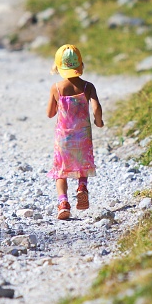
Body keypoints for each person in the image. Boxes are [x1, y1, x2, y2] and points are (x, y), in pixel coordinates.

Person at [46, 44, 103, 220]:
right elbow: (96, 107)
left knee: (61, 172)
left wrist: (58, 106)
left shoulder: (56, 88)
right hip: (83, 135)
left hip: (64, 136)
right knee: (82, 164)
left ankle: (63, 203)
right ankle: (82, 187)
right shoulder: (88, 87)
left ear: (59, 66)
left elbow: (50, 114)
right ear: (80, 64)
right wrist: (98, 121)